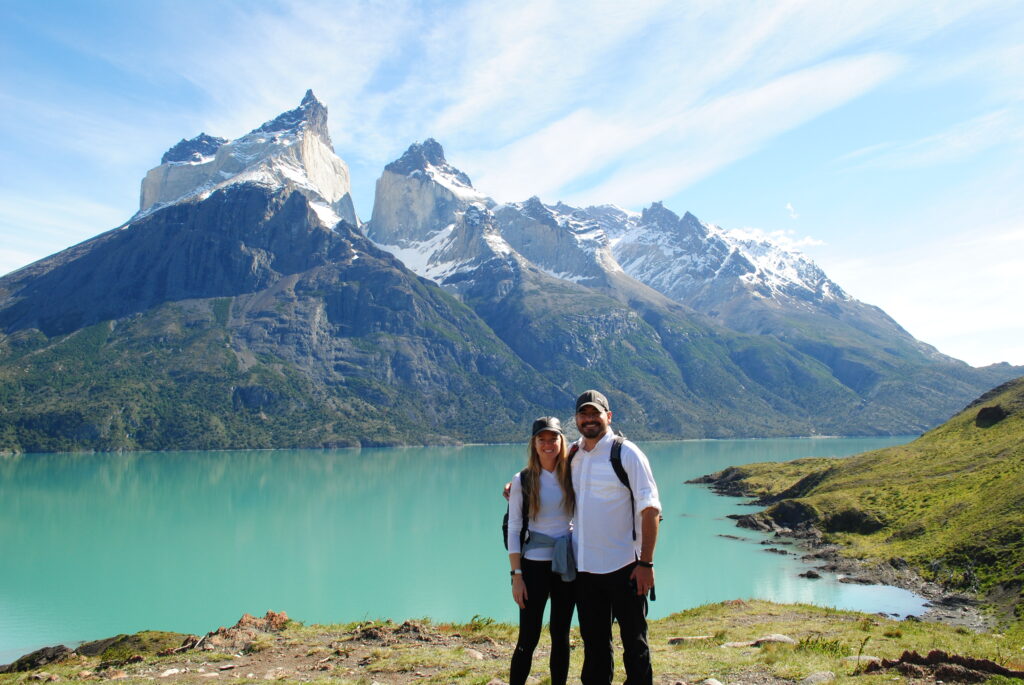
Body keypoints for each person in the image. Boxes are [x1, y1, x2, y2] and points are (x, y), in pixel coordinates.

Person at [571, 389, 661, 685]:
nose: (589, 419)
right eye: (584, 414)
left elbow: (650, 510)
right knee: (594, 646)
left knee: (634, 643)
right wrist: (515, 486)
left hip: (625, 566)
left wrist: (646, 564)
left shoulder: (626, 453)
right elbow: (542, 472)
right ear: (576, 419)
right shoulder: (572, 454)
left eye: (595, 413)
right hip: (585, 570)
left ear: (608, 417)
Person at [506, 416, 577, 685]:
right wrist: (517, 575)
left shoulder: (573, 473)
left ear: (562, 441)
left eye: (553, 438)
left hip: (566, 564)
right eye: (542, 439)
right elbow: (514, 529)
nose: (548, 444)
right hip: (534, 566)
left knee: (561, 635)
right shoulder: (522, 480)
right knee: (528, 636)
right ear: (534, 444)